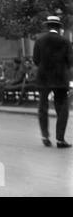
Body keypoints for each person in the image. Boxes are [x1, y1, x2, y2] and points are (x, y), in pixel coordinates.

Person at [33, 16, 73, 148]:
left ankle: (45, 136)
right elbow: (70, 61)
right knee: (62, 108)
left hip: (43, 77)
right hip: (60, 78)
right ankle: (60, 140)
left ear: (48, 27)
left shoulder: (39, 41)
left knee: (42, 107)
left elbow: (36, 60)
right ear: (59, 27)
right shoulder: (65, 41)